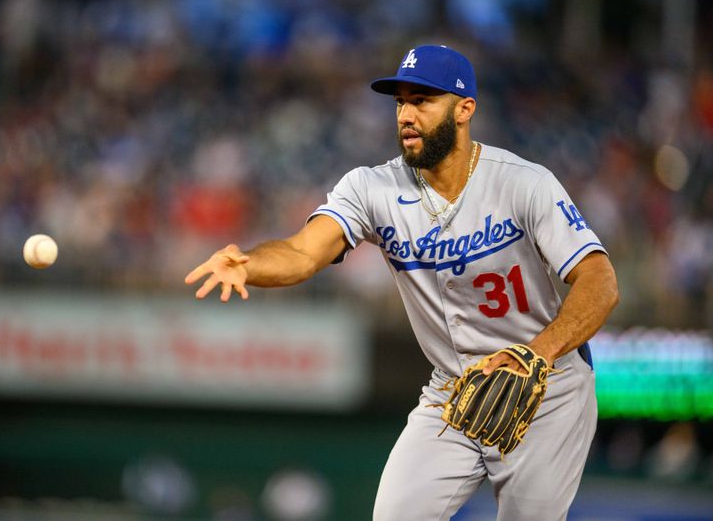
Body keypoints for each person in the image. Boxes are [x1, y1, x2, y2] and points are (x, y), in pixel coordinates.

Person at [185, 44, 619, 520]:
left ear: (464, 109)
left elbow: (600, 282)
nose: (407, 115)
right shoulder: (372, 188)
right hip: (451, 391)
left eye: (423, 100)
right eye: (400, 102)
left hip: (546, 389)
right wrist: (248, 262)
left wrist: (538, 353)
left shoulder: (523, 183)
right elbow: (304, 251)